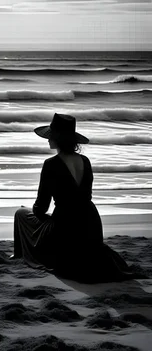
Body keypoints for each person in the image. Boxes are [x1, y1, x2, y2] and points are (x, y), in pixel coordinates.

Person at [12, 113, 136, 283]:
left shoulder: (51, 164)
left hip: (65, 227)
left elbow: (41, 207)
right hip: (91, 225)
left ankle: (19, 254)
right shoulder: (85, 161)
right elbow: (84, 197)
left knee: (21, 214)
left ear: (57, 138)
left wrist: (41, 215)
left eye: (51, 135)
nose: (48, 139)